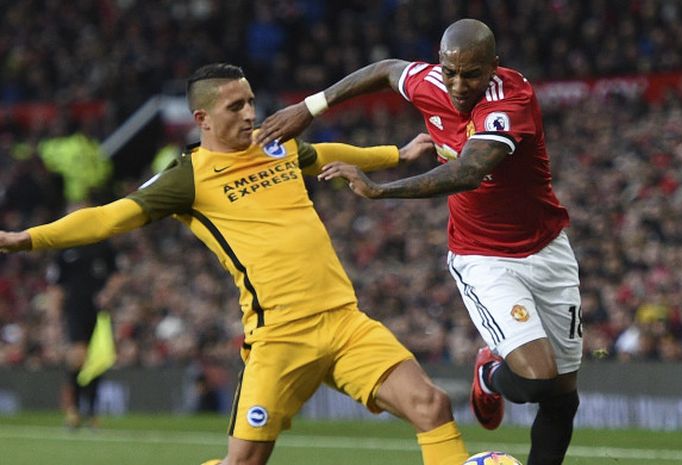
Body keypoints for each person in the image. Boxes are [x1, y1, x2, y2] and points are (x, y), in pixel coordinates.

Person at [0, 63, 470, 465]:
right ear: (202, 119)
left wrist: (397, 154)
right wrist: (27, 239)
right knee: (244, 461)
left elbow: (324, 155)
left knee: (431, 405)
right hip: (280, 336)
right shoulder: (187, 178)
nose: (250, 113)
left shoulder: (276, 144)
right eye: (236, 107)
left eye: (250, 102)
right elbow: (108, 218)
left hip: (346, 323)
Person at [257, 19, 582, 465]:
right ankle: (490, 373)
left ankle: (491, 374)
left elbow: (468, 171)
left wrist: (381, 190)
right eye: (450, 71)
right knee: (539, 382)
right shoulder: (430, 81)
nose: (457, 84)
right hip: (483, 257)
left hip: (548, 249)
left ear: (494, 67)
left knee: (563, 398)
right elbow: (387, 69)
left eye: (470, 74)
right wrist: (310, 107)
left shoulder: (510, 100)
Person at [46, 224, 117, 429]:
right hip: (74, 310)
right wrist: (54, 318)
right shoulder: (65, 248)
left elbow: (117, 274)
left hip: (100, 312)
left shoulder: (103, 245)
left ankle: (92, 413)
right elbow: (57, 285)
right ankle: (75, 410)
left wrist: (108, 293)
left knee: (97, 360)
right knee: (77, 357)